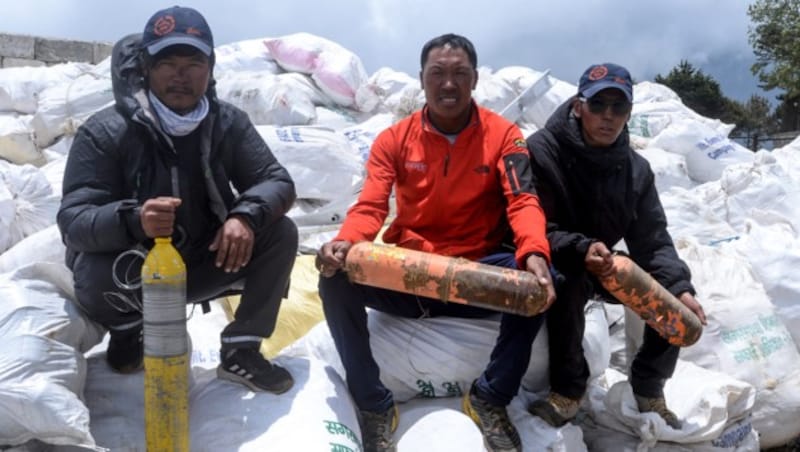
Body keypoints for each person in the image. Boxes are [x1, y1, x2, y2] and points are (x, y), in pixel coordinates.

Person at [315, 33, 556, 452]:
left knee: (539, 278)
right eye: (438, 74)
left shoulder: (504, 135)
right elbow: (371, 205)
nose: (449, 84)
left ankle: (490, 398)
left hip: (478, 274)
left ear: (475, 79)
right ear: (421, 80)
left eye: (460, 74)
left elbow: (522, 200)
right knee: (336, 278)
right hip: (412, 273)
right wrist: (346, 242)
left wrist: (534, 251)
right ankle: (373, 404)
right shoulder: (393, 139)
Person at [57, 6, 298, 394]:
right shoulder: (106, 130)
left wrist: (245, 218)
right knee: (92, 267)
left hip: (206, 262)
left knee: (280, 232)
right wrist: (134, 220)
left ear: (210, 68)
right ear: (146, 69)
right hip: (133, 273)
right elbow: (73, 220)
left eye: (193, 63)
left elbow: (276, 181)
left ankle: (241, 350)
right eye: (167, 62)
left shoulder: (227, 123)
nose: (180, 75)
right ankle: (127, 331)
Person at [525, 63, 708, 429]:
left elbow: (653, 241)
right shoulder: (542, 151)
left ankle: (648, 387)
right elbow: (530, 223)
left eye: (618, 108)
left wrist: (679, 289)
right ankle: (568, 391)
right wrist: (580, 248)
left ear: (629, 112)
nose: (608, 117)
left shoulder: (636, 170)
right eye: (598, 105)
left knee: (662, 293)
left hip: (602, 261)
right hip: (550, 257)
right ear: (579, 106)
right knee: (569, 281)